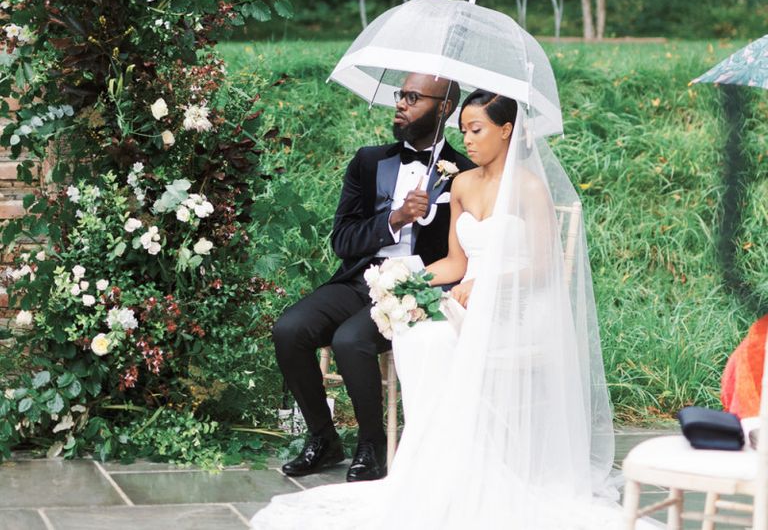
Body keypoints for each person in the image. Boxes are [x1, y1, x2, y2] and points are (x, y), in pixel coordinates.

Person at [252, 90, 656, 529]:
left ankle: (473, 461)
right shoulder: (462, 183)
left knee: (434, 339)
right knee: (418, 335)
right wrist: (403, 282)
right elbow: (455, 262)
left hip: (517, 302)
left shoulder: (528, 187)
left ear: (506, 130)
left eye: (477, 130)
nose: (468, 140)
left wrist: (485, 284)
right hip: (456, 292)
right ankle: (439, 464)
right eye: (464, 131)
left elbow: (544, 267)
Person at [272, 72, 472, 483]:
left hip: (420, 288)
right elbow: (343, 240)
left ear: (445, 107)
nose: (400, 103)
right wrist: (395, 219)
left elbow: (463, 254)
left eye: (413, 97)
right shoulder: (368, 161)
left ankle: (372, 444)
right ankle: (324, 439)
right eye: (401, 94)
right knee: (289, 329)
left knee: (351, 339)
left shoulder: (465, 172)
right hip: (360, 279)